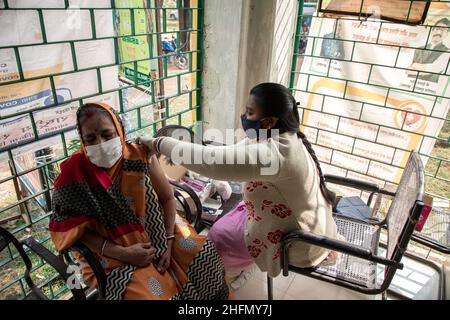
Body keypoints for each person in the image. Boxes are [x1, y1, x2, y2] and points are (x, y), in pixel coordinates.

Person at [138, 83, 339, 284]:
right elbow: (226, 155)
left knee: (218, 241)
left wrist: (157, 143)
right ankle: (236, 266)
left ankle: (224, 281)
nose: (243, 116)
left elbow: (212, 162)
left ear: (269, 121)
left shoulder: (276, 154)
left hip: (297, 241)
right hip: (293, 218)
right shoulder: (276, 135)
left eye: (249, 112)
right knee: (224, 226)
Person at [49, 102, 230, 300]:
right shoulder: (72, 175)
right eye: (90, 138)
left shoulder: (139, 154)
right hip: (108, 248)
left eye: (107, 135)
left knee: (205, 261)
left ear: (120, 131)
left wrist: (167, 242)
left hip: (160, 228)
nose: (100, 143)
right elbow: (73, 232)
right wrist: (122, 253)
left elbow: (167, 198)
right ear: (82, 141)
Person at [408, 18, 450, 83]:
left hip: (428, 87)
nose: (439, 32)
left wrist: (415, 65)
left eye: (443, 30)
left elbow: (432, 69)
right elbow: (407, 70)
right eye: (437, 29)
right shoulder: (418, 49)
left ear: (447, 34)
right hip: (409, 83)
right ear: (432, 30)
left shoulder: (447, 52)